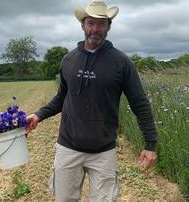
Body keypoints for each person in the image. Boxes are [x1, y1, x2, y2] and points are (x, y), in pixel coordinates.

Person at [26, 0, 158, 201]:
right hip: (68, 147)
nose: (95, 29)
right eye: (90, 23)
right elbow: (62, 97)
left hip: (103, 151)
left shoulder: (121, 63)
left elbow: (140, 104)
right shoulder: (69, 60)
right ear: (82, 25)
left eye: (101, 24)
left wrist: (150, 144)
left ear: (108, 27)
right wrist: (38, 115)